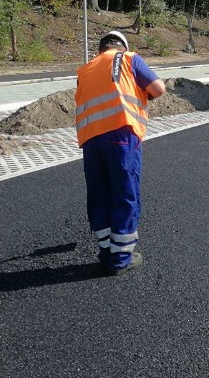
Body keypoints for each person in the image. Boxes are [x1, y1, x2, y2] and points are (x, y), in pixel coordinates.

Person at [74, 30, 165, 275]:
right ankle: (121, 258)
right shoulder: (128, 59)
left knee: (100, 193)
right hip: (122, 134)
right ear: (121, 46)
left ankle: (106, 251)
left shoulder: (85, 69)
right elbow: (158, 88)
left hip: (91, 139)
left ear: (101, 49)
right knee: (125, 193)